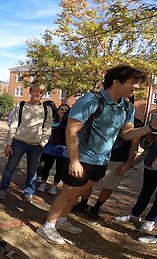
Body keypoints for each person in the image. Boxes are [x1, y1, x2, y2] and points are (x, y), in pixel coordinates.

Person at [37, 65, 151, 245]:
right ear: (116, 82)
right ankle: (47, 227)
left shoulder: (126, 107)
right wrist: (74, 161)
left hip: (102, 160)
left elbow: (127, 134)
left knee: (78, 193)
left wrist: (150, 128)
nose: (136, 87)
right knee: (68, 193)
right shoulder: (91, 100)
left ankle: (62, 220)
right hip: (80, 158)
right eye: (133, 82)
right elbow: (71, 131)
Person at [0, 83, 53, 203]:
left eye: (41, 92)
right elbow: (14, 125)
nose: (38, 94)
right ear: (31, 92)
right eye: (36, 91)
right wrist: (8, 144)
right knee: (10, 168)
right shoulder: (21, 106)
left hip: (36, 146)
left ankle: (29, 192)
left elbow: (47, 128)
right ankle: (2, 189)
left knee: (32, 171)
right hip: (19, 143)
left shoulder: (46, 110)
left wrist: (42, 142)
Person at [114, 132, 157, 231]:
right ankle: (135, 215)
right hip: (150, 165)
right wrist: (148, 140)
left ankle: (150, 221)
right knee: (145, 192)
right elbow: (144, 145)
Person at [36, 104, 71, 195]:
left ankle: (54, 187)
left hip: (62, 150)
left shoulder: (70, 124)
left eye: (66, 110)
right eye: (61, 109)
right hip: (49, 149)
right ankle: (43, 183)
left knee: (60, 170)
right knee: (46, 167)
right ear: (58, 111)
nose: (63, 111)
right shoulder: (51, 121)